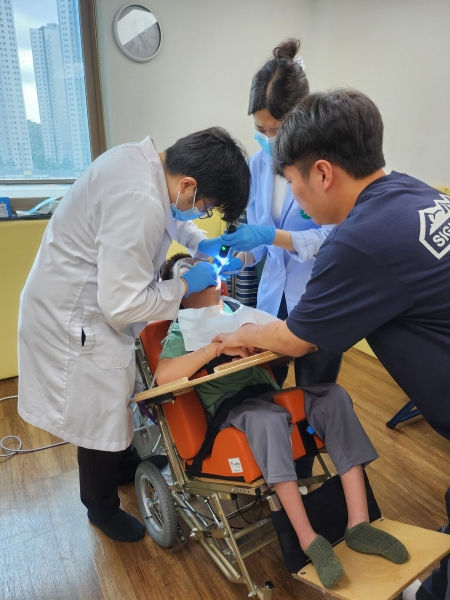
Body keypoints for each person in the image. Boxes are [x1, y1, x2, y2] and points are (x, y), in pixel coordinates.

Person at [213, 89, 450, 599]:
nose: (294, 198)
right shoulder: (416, 193)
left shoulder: (359, 240)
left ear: (322, 173)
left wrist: (244, 332)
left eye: (293, 184)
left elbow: (294, 339)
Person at [18, 128, 250, 543]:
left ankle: (122, 464)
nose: (200, 213)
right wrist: (184, 285)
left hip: (85, 302)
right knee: (100, 413)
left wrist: (204, 245)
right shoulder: (140, 197)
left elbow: (173, 221)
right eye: (205, 207)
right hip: (75, 315)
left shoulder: (147, 168)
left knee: (118, 401)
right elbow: (123, 306)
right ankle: (100, 508)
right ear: (188, 185)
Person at [155, 253, 408, 590]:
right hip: (233, 410)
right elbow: (164, 376)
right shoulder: (181, 328)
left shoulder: (237, 311)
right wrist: (214, 350)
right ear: (181, 293)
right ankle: (308, 539)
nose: (203, 271)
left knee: (333, 397)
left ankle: (359, 524)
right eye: (189, 271)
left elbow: (285, 340)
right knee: (269, 419)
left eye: (204, 264)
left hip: (268, 394)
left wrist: (254, 340)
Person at [220, 39, 341, 390]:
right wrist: (241, 258)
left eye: (277, 128)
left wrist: (270, 236)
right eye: (261, 130)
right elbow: (259, 239)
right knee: (266, 386)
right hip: (273, 296)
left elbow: (334, 238)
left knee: (314, 392)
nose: (270, 138)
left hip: (318, 295)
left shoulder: (327, 165)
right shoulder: (258, 165)